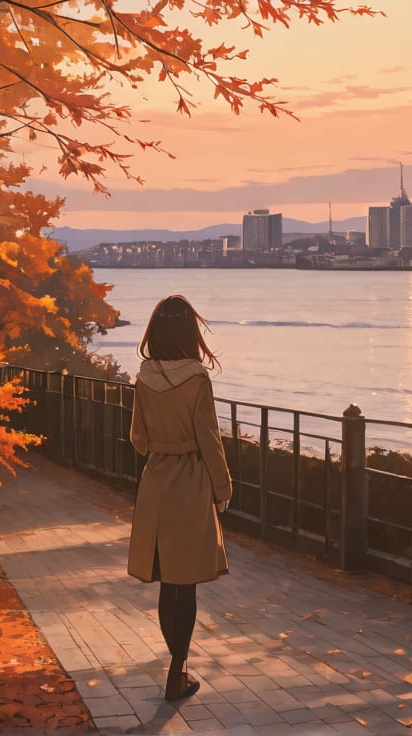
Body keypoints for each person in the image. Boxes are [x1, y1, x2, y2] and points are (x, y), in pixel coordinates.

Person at [125, 294, 233, 702]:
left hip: (156, 479)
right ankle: (177, 672)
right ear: (190, 333)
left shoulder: (143, 378)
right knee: (185, 583)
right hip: (191, 481)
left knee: (165, 582)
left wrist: (161, 441)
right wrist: (223, 487)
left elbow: (138, 439)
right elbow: (210, 438)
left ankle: (176, 667)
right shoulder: (198, 379)